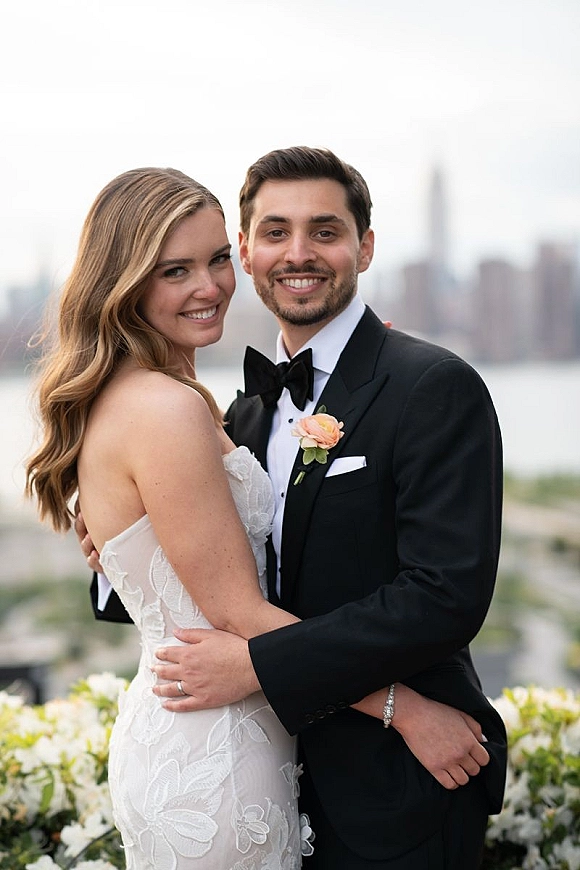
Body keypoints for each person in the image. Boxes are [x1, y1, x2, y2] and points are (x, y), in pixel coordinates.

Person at [28, 165, 491, 870]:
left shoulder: (431, 386)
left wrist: (258, 662)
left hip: (392, 785)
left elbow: (443, 595)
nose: (297, 254)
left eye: (325, 232)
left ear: (365, 248)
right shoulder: (219, 410)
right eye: (276, 233)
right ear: (255, 251)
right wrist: (120, 555)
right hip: (230, 762)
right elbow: (221, 599)